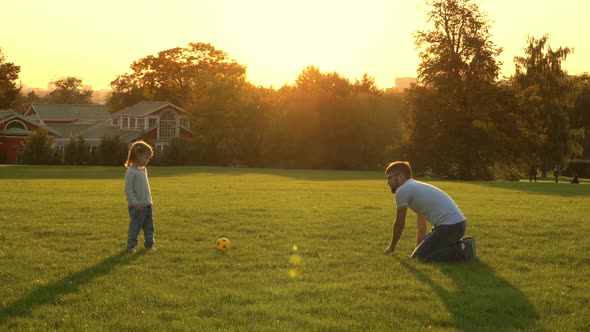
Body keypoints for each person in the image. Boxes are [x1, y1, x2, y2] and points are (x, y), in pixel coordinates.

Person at [383, 161, 475, 262]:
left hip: (449, 227)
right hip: (457, 225)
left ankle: (463, 249)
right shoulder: (414, 187)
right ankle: (461, 246)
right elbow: (422, 226)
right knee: (418, 255)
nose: (388, 182)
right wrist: (418, 249)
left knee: (420, 258)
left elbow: (399, 223)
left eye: (389, 177)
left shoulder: (403, 190)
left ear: (400, 176)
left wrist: (392, 247)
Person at [124, 140, 156, 253]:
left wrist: (149, 201)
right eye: (146, 157)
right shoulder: (130, 172)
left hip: (147, 205)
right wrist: (135, 203)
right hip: (137, 207)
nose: (147, 160)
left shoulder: (143, 170)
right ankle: (131, 246)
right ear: (138, 156)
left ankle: (149, 245)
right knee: (135, 227)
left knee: (149, 227)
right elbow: (128, 190)